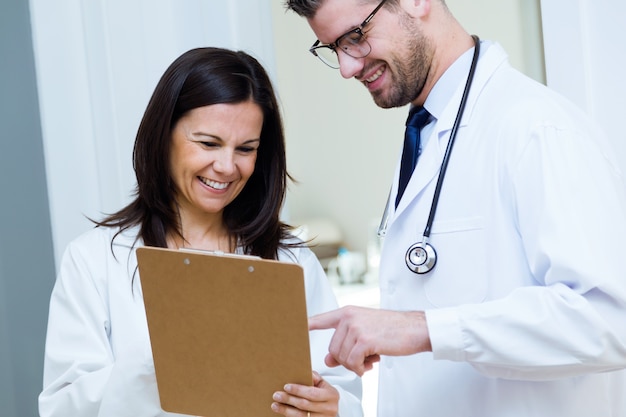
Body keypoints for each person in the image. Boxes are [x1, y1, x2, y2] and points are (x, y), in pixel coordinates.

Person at [284, 0, 626, 416]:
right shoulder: (427, 131)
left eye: (356, 36)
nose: (347, 67)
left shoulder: (536, 127)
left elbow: (609, 320)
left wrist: (424, 328)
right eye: (332, 48)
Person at [38, 47, 362, 417]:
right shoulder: (94, 260)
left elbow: (343, 393)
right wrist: (163, 358)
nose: (226, 166)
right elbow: (62, 408)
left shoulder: (291, 260)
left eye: (246, 148)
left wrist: (330, 408)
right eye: (208, 143)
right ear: (164, 136)